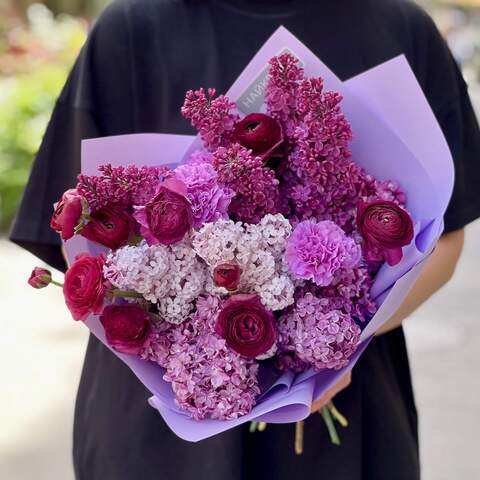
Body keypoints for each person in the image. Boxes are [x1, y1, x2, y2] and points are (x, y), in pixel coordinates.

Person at [10, 0, 480, 479]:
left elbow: (444, 239)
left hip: (345, 420)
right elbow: (79, 235)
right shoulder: (130, 29)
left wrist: (323, 349)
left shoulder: (401, 27)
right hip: (161, 433)